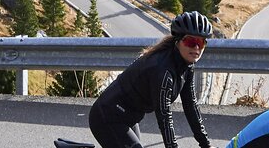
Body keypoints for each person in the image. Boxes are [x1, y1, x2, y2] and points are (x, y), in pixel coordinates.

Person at [88, 11, 214, 148]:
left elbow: (190, 106)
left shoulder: (185, 65)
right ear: (178, 42)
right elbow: (164, 116)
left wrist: (205, 144)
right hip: (107, 117)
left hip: (127, 118)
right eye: (191, 41)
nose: (196, 48)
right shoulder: (162, 70)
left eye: (201, 43)